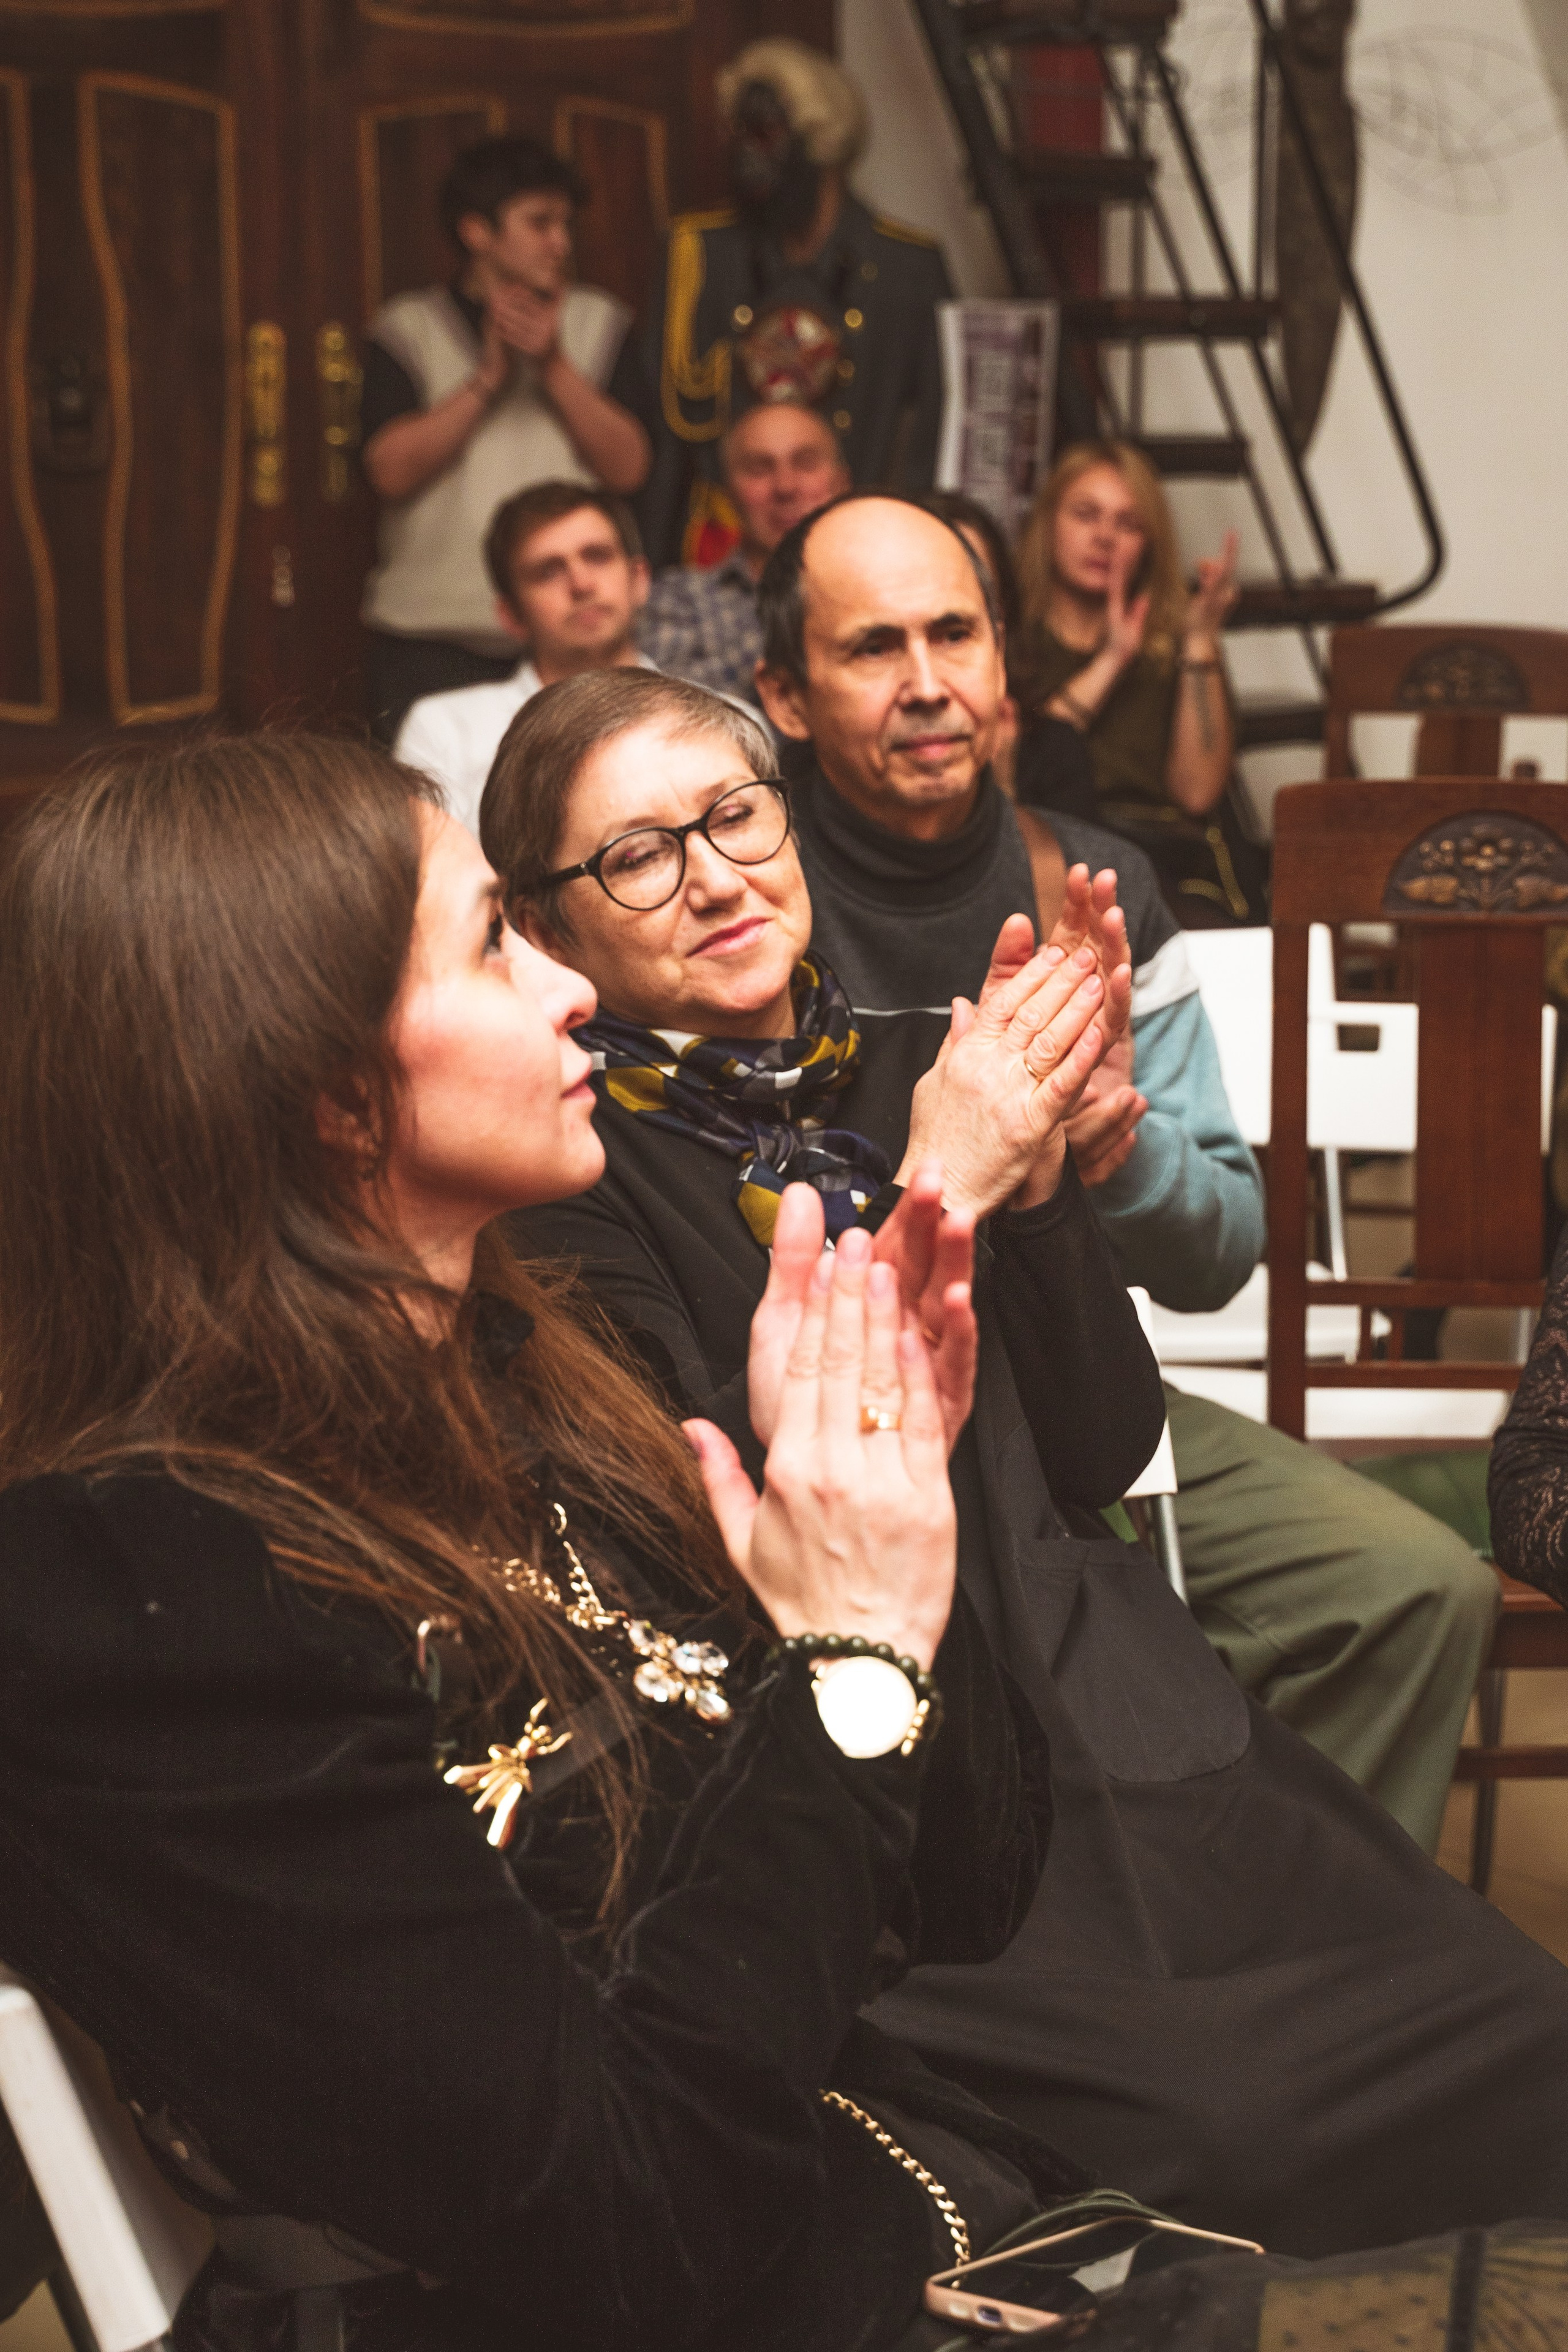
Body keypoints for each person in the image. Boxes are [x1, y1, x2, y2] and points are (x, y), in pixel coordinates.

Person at [3, 742, 1567, 2352]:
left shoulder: (515, 1381)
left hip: (966, 2231)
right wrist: (847, 1664)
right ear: (323, 1088)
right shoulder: (151, 1588)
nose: (564, 995)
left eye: (736, 816)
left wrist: (891, 1525)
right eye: (497, 941)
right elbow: (634, 2223)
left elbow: (947, 1891)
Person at [485, 667, 1568, 2263]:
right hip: (891, 1807)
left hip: (1116, 1715)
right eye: (639, 856)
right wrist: (945, 1181)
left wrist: (1054, 1174)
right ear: (554, 928)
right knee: (1232, 2141)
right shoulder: (569, 1173)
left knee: (1526, 2029)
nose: (716, 874)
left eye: (733, 814)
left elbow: (1103, 1445)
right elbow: (727, 1533)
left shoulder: (930, 1058)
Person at [751, 489, 1499, 1858]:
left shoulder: (1088, 880)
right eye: (872, 649)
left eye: (955, 635)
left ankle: (1280, 1949)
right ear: (783, 695)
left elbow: (1221, 1245)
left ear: (1001, 655)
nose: (928, 686)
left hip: (1075, 1418)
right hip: (832, 1434)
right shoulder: (741, 891)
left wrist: (1117, 1143)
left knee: (1407, 1588)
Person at [360, 138, 650, 741]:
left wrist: (553, 368)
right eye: (540, 223)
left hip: (575, 641)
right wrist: (487, 382)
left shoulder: (602, 323)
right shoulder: (406, 329)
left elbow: (629, 468)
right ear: (476, 231)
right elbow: (388, 472)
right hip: (432, 636)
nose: (561, 244)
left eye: (566, 224)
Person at [623, 40, 952, 567]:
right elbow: (665, 436)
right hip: (724, 556)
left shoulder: (907, 267)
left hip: (860, 544)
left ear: (819, 140)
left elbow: (933, 437)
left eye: (766, 133)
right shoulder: (698, 255)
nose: (745, 153)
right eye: (737, 133)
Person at [1012, 442, 1268, 925]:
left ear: (1149, 544)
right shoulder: (1012, 638)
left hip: (1156, 862)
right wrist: (1111, 660)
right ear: (1048, 524)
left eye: (1128, 524)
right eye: (1086, 515)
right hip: (1043, 851)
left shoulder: (1174, 646)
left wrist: (1198, 643)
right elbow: (1030, 761)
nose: (1105, 537)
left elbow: (1196, 792)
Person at [394, 483, 655, 838]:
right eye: (548, 571)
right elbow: (437, 881)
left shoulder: (721, 714)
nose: (581, 584)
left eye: (597, 556)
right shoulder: (445, 729)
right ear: (511, 615)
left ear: (639, 580)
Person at [639, 399, 850, 703]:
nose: (785, 487)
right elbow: (682, 715)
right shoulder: (679, 598)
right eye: (759, 469)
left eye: (805, 463)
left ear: (841, 482)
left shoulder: (889, 586)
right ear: (728, 493)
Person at [921, 489, 1097, 821]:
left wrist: (999, 791)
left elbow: (1071, 866)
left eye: (973, 582)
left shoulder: (1053, 748)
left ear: (999, 616)